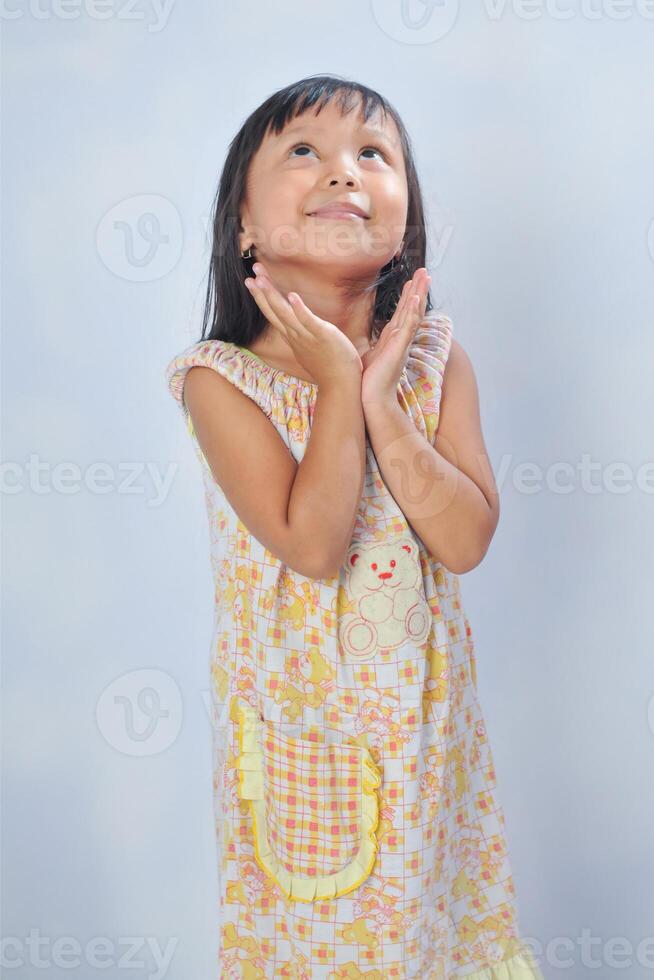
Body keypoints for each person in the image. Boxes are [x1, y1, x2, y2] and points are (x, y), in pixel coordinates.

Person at [165, 74, 544, 980]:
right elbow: (313, 543)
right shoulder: (220, 380)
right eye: (304, 151)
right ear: (245, 226)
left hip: (427, 751)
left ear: (402, 223)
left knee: (437, 947)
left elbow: (464, 541)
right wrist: (341, 387)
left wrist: (384, 403)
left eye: (372, 155)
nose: (344, 172)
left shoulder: (437, 362)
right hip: (306, 760)